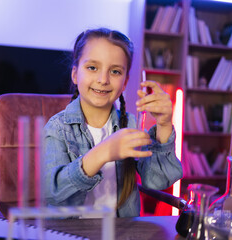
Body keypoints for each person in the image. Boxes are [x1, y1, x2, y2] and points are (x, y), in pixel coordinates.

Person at [44, 28, 182, 217]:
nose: (103, 80)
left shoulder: (130, 124)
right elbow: (53, 194)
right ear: (75, 74)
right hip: (72, 233)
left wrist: (164, 125)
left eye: (115, 71)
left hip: (121, 232)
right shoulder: (57, 128)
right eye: (92, 67)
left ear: (125, 82)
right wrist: (102, 152)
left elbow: (157, 181)